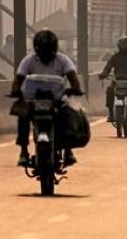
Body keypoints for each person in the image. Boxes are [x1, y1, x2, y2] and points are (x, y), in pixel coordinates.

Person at [10, 29, 82, 167]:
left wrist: (75, 89)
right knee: (23, 116)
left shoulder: (62, 59)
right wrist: (16, 91)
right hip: (33, 99)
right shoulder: (29, 60)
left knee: (67, 115)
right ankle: (23, 151)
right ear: (37, 49)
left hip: (56, 98)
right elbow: (19, 78)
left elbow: (73, 76)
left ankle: (68, 150)